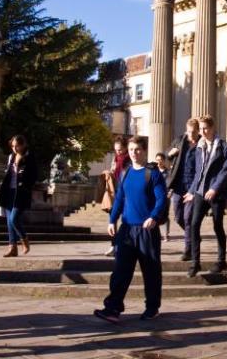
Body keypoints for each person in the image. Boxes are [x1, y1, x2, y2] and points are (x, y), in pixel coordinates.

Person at [93, 136, 167, 323]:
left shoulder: (153, 174)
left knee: (150, 271)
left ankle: (152, 308)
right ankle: (113, 308)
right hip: (127, 230)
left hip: (146, 231)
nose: (134, 153)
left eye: (138, 150)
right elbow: (119, 198)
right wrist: (112, 220)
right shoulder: (125, 173)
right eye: (131, 149)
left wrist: (153, 217)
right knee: (120, 271)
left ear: (144, 151)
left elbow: (161, 199)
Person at [185, 115, 227, 277]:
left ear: (213, 128)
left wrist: (215, 188)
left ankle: (221, 260)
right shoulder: (198, 147)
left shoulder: (224, 146)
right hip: (200, 191)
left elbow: (226, 170)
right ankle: (195, 262)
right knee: (194, 224)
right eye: (200, 129)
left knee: (217, 225)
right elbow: (199, 172)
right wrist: (192, 191)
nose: (203, 131)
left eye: (206, 128)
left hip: (217, 193)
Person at [0, 134, 37, 258]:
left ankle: (24, 240)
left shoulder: (29, 157)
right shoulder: (11, 157)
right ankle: (12, 247)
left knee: (14, 218)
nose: (15, 148)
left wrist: (25, 181)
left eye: (17, 146)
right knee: (9, 221)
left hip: (21, 192)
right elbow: (8, 173)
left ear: (23, 144)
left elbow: (34, 175)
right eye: (13, 146)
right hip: (9, 191)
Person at [166, 120, 200, 260]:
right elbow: (166, 155)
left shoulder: (201, 144)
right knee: (178, 217)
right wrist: (171, 153)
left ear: (198, 131)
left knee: (187, 218)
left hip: (193, 186)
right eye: (188, 131)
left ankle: (188, 250)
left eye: (193, 132)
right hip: (179, 185)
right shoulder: (180, 140)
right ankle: (192, 234)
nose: (190, 134)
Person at [104, 137, 133, 256]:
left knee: (125, 219)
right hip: (116, 190)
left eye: (120, 150)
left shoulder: (129, 159)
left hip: (126, 192)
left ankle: (124, 245)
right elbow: (114, 172)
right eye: (116, 150)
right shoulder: (116, 158)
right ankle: (113, 245)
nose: (118, 152)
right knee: (113, 218)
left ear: (125, 148)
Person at [155, 153, 171, 241]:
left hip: (165, 196)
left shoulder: (168, 172)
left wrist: (170, 192)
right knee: (156, 213)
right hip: (155, 196)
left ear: (164, 161)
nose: (159, 162)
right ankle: (157, 233)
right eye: (157, 160)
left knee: (165, 214)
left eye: (160, 160)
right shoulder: (154, 172)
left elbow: (171, 184)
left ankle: (166, 234)